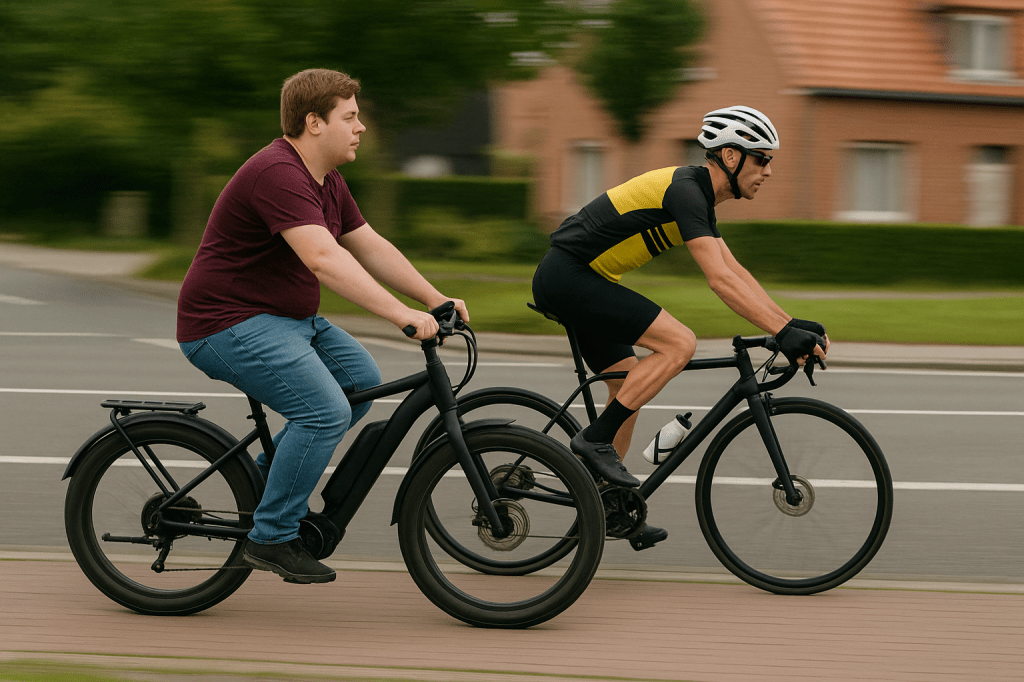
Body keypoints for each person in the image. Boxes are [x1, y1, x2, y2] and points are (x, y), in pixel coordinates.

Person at [176, 69, 468, 584]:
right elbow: (323, 259)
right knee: (323, 410)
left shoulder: (327, 180)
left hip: (288, 320)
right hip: (225, 323)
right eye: (350, 117)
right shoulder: (278, 173)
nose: (361, 128)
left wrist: (432, 297)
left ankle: (268, 484)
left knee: (360, 383)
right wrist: (401, 315)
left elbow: (368, 244)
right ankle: (271, 537)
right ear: (314, 122)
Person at [532, 105, 827, 549]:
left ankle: (607, 505)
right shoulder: (686, 191)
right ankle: (594, 442)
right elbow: (719, 280)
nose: (768, 171)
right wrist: (785, 334)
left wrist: (788, 323)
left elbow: (735, 270)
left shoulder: (698, 197)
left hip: (583, 278)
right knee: (678, 343)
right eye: (762, 159)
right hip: (568, 276)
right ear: (731, 156)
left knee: (628, 388)